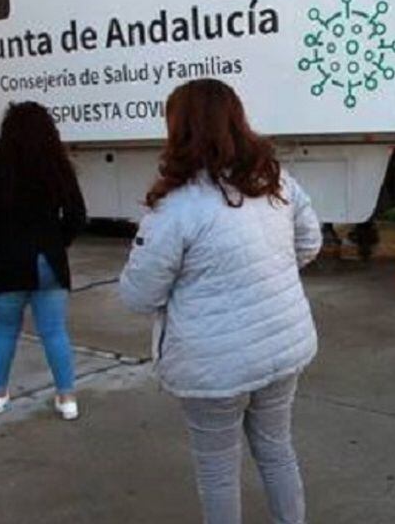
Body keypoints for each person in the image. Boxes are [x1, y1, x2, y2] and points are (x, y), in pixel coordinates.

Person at [119, 78, 322, 524]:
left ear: (179, 130)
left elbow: (139, 294)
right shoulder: (275, 180)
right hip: (281, 347)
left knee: (217, 470)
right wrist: (267, 274)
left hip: (213, 364)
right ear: (237, 120)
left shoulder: (174, 207)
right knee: (276, 450)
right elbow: (309, 242)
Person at [0, 101, 87, 420]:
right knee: (54, 332)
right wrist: (57, 242)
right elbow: (77, 215)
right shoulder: (57, 164)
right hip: (48, 260)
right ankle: (67, 397)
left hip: (6, 261)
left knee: (4, 331)